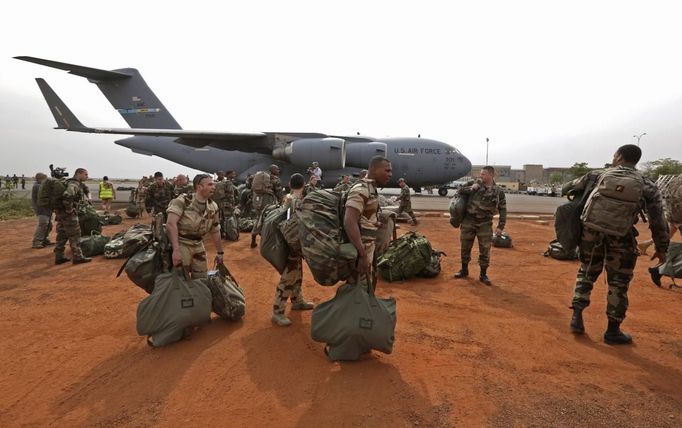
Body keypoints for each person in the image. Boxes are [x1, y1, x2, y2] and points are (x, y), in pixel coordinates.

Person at [564, 145, 668, 344]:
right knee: (619, 282)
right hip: (622, 237)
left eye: (614, 155)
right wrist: (661, 248)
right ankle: (613, 331)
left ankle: (577, 316)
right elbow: (658, 220)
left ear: (619, 157)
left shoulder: (596, 175)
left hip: (591, 234)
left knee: (586, 271)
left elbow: (567, 188)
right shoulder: (647, 185)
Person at [272, 173, 314, 326]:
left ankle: (297, 300)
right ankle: (278, 312)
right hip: (293, 245)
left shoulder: (287, 198)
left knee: (297, 273)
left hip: (291, 244)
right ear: (304, 185)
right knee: (288, 277)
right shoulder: (297, 202)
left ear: (289, 184)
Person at [453, 166, 507, 286]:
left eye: (483, 174)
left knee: (485, 249)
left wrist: (500, 226)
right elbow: (459, 191)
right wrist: (471, 188)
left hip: (485, 223)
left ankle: (483, 274)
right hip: (469, 221)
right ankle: (464, 269)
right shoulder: (473, 184)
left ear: (490, 176)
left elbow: (503, 209)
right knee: (465, 246)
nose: (481, 176)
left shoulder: (498, 191)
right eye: (480, 174)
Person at [344, 156, 393, 284]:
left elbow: (363, 217)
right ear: (374, 170)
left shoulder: (371, 189)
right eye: (387, 171)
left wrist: (375, 223)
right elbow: (349, 222)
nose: (390, 174)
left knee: (366, 288)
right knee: (358, 291)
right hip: (361, 250)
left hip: (368, 248)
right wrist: (362, 255)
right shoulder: (361, 190)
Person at [165, 174, 224, 279]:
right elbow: (170, 224)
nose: (213, 187)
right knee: (181, 280)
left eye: (213, 184)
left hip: (198, 244)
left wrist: (220, 252)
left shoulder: (213, 206)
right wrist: (176, 250)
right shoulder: (183, 201)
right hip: (182, 243)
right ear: (199, 187)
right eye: (210, 184)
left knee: (202, 279)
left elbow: (215, 230)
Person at [54, 168, 91, 265]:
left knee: (62, 234)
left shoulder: (69, 182)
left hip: (61, 213)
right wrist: (69, 209)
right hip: (69, 215)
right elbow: (68, 195)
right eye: (85, 174)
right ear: (79, 174)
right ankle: (78, 257)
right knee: (75, 234)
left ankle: (59, 256)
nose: (87, 176)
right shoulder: (74, 183)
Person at [638, 172, 681, 256]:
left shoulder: (678, 178)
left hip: (674, 206)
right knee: (675, 225)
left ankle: (646, 244)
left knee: (673, 227)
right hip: (678, 207)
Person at [250, 164, 284, 248]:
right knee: (268, 221)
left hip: (257, 202)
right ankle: (267, 243)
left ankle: (253, 239)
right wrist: (280, 201)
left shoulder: (261, 178)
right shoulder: (275, 179)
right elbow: (279, 192)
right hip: (267, 203)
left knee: (258, 219)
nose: (278, 171)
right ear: (272, 170)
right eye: (277, 169)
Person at [30, 173, 53, 248]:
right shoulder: (37, 186)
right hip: (41, 209)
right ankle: (37, 242)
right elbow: (48, 191)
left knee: (49, 225)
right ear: (39, 179)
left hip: (46, 209)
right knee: (43, 224)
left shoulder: (41, 185)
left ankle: (44, 239)